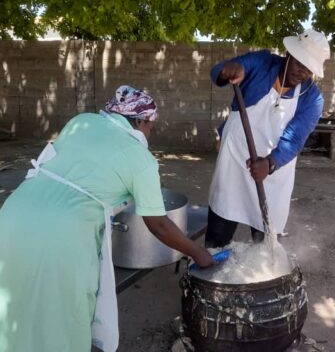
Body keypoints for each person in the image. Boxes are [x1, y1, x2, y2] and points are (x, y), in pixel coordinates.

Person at [0, 85, 213, 352]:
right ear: (140, 121)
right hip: (61, 236)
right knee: (62, 316)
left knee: (13, 300)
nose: (150, 132)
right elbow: (157, 224)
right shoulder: (140, 158)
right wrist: (198, 253)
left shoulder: (81, 122)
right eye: (151, 126)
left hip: (13, 214)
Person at [205, 29, 330, 248]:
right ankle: (212, 270)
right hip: (235, 157)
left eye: (308, 69)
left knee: (265, 241)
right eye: (299, 63)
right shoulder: (262, 62)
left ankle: (263, 274)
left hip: (272, 170)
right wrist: (228, 70)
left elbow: (295, 137)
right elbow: (218, 70)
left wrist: (270, 163)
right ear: (288, 53)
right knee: (220, 229)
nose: (302, 72)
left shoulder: (312, 98)